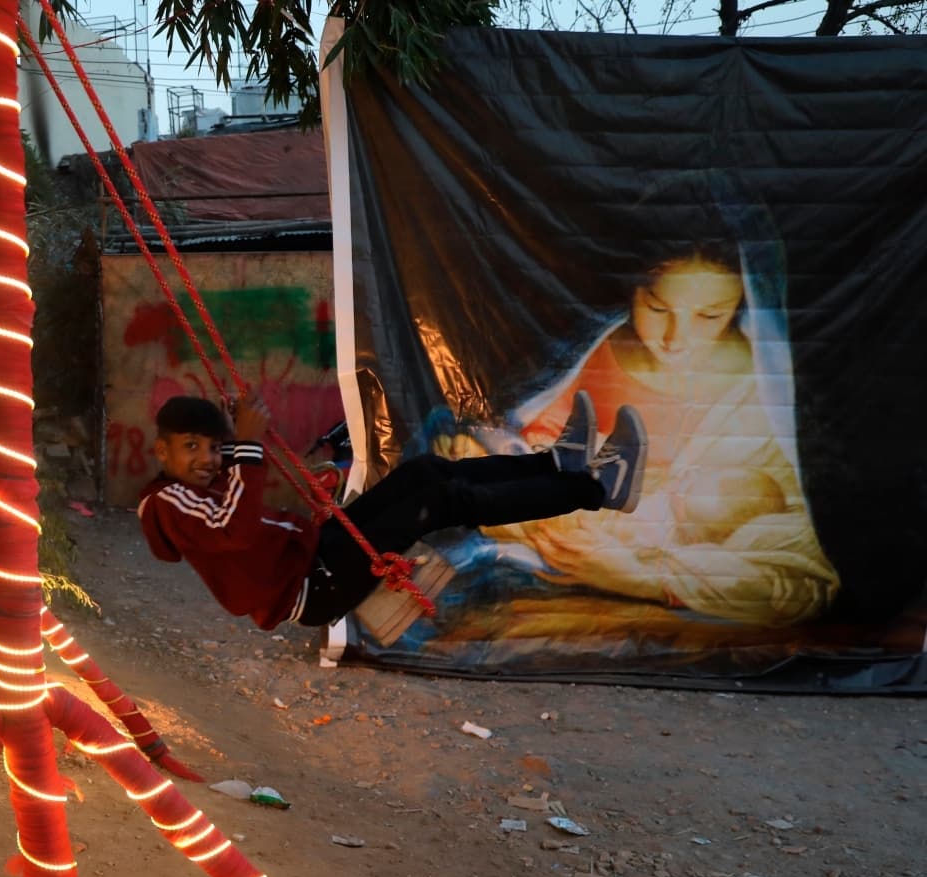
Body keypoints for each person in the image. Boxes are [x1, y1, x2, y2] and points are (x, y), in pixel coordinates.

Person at [497, 236, 839, 625]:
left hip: (654, 555)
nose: (675, 339)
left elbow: (801, 577)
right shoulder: (603, 348)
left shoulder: (760, 393)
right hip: (583, 513)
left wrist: (642, 578)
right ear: (633, 290)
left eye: (709, 316)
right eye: (657, 307)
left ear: (742, 305)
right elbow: (544, 433)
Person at [138, 392, 645, 631]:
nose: (207, 459)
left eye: (213, 446)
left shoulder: (187, 496)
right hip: (312, 586)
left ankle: (555, 464)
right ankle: (598, 487)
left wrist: (240, 441)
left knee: (424, 472)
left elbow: (231, 500)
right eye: (191, 447)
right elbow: (236, 527)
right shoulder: (167, 503)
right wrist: (244, 443)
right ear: (162, 451)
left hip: (317, 555)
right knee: (436, 502)